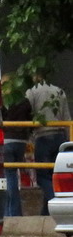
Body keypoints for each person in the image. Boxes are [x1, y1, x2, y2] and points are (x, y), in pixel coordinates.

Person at [26, 74, 71, 216]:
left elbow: (28, 114)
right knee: (54, 175)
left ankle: (55, 202)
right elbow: (67, 118)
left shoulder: (31, 92)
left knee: (42, 176)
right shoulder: (59, 91)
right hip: (60, 136)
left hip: (42, 137)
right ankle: (45, 213)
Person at [1, 75, 32, 217]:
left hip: (6, 140)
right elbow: (30, 119)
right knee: (14, 174)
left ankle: (11, 213)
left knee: (9, 175)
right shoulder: (24, 101)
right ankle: (14, 212)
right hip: (21, 142)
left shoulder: (3, 101)